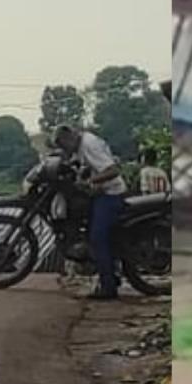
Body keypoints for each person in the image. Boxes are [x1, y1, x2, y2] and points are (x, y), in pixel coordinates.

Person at [54, 125, 128, 300]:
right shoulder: (82, 144)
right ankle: (111, 273)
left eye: (63, 145)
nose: (64, 149)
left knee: (97, 238)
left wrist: (90, 181)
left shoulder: (89, 144)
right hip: (102, 193)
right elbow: (88, 165)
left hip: (111, 195)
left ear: (68, 138)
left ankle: (108, 287)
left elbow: (113, 170)